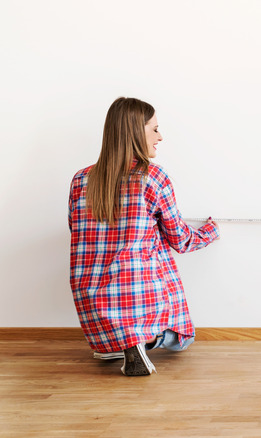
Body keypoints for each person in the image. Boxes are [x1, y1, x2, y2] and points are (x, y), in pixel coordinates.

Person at [68, 97, 220, 376]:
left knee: (113, 324)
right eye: (155, 129)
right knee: (182, 339)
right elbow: (181, 240)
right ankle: (143, 340)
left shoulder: (80, 180)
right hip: (136, 292)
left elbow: (75, 232)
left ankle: (116, 342)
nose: (160, 137)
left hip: (91, 298)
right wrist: (211, 230)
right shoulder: (152, 177)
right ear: (136, 132)